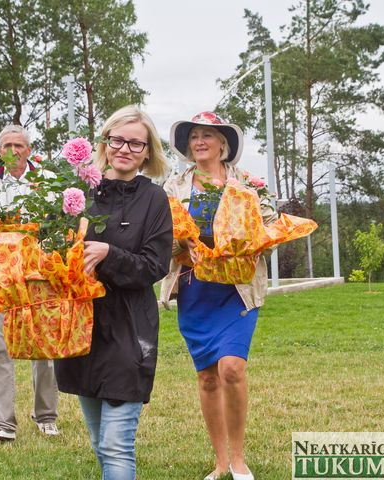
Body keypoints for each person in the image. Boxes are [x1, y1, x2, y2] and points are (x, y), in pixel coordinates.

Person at [54, 105, 173, 480]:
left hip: (129, 330)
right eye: (117, 140)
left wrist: (109, 254)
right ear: (104, 143)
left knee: (115, 445)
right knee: (99, 442)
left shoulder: (154, 199)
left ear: (148, 152)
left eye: (136, 143)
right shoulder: (78, 194)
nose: (125, 148)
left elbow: (155, 265)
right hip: (82, 329)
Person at [159, 112, 277, 480]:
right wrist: (183, 247)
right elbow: (162, 237)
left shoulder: (249, 185)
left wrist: (247, 245)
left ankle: (239, 460)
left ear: (223, 144)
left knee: (232, 368)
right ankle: (221, 462)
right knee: (208, 377)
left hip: (237, 290)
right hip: (196, 290)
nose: (199, 141)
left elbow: (271, 231)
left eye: (207, 135)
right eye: (194, 136)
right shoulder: (173, 187)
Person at [0, 124, 59, 443]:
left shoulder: (47, 180)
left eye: (18, 145)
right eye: (7, 145)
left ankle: (46, 415)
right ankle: (1, 423)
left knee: (42, 345)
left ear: (29, 150)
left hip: (38, 273)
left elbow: (60, 223)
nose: (13, 150)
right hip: (1, 276)